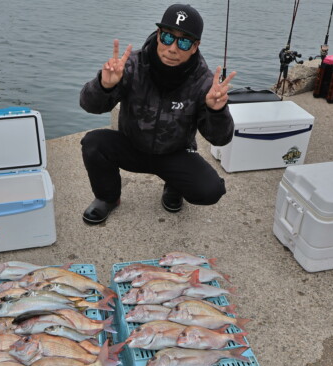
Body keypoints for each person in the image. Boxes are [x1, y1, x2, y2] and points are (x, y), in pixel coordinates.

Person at [79, 3, 235, 225]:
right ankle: (108, 197)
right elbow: (89, 105)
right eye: (168, 37)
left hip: (175, 152)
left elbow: (220, 139)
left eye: (183, 41)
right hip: (131, 146)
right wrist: (104, 85)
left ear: (195, 46)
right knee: (93, 143)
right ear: (159, 34)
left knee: (211, 190)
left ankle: (174, 186)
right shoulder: (130, 65)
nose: (172, 48)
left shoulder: (204, 82)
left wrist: (216, 110)